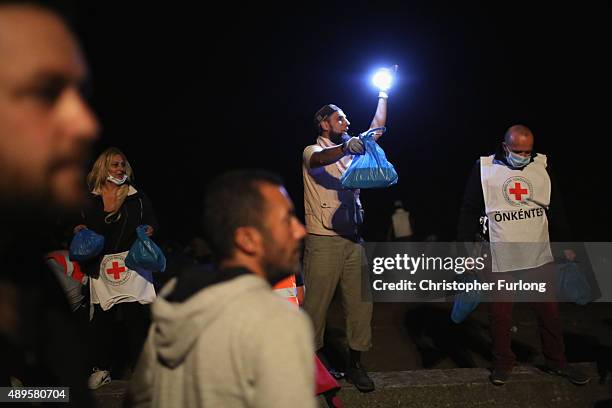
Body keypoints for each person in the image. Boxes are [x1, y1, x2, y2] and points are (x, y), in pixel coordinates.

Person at [126, 170, 316, 408]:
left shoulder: (178, 299)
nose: (301, 231)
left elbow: (139, 397)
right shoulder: (277, 321)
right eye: (287, 219)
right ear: (247, 239)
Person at [0, 1, 99, 405]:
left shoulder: (36, 295)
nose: (85, 122)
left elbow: (44, 396)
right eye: (44, 92)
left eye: (82, 93)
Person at [457, 124, 589, 386]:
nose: (523, 156)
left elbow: (556, 205)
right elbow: (469, 209)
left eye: (528, 151)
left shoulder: (541, 165)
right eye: (517, 151)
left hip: (537, 253)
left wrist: (567, 243)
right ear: (505, 146)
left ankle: (557, 362)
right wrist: (465, 248)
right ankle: (503, 363)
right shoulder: (484, 168)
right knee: (500, 315)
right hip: (499, 253)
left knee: (549, 312)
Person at [301, 88, 390, 392]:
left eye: (346, 117)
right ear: (324, 123)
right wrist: (346, 148)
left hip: (355, 241)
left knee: (361, 305)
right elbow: (320, 159)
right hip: (323, 241)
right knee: (315, 306)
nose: (346, 120)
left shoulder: (354, 148)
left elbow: (377, 130)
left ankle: (356, 366)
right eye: (339, 116)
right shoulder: (313, 151)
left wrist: (383, 93)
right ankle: (310, 370)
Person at [74, 147, 159, 389]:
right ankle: (101, 370)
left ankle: (141, 371)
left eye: (122, 165)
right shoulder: (90, 198)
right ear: (104, 168)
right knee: (102, 321)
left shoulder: (137, 197)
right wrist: (77, 227)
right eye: (114, 165)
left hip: (132, 265)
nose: (120, 169)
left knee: (136, 319)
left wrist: (151, 229)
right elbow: (76, 218)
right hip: (101, 268)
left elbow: (152, 221)